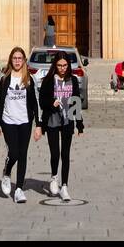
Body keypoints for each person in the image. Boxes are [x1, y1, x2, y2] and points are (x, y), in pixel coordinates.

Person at [0, 46, 40, 203]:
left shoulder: (29, 79)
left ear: (24, 60)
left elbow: (35, 103)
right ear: (10, 60)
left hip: (25, 121)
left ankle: (19, 188)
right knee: (13, 152)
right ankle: (7, 172)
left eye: (20, 58)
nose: (17, 61)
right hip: (8, 121)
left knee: (23, 154)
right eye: (15, 58)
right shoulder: (4, 78)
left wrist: (38, 124)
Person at [38, 50, 84, 200]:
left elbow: (76, 101)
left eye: (65, 65)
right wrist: (52, 103)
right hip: (52, 120)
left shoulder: (73, 80)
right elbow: (42, 101)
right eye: (59, 65)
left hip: (67, 121)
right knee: (55, 153)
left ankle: (64, 186)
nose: (62, 68)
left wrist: (80, 125)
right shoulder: (48, 80)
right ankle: (54, 177)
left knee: (65, 154)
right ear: (55, 65)